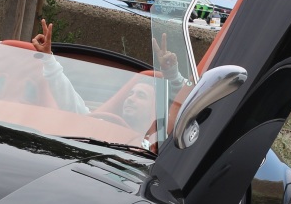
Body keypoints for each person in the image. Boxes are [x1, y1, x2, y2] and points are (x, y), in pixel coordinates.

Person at [31, 19, 191, 132]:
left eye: (141, 96)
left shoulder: (157, 144)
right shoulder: (101, 125)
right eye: (130, 93)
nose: (130, 98)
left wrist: (171, 74)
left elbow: (188, 102)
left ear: (154, 108)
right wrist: (48, 59)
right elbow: (69, 101)